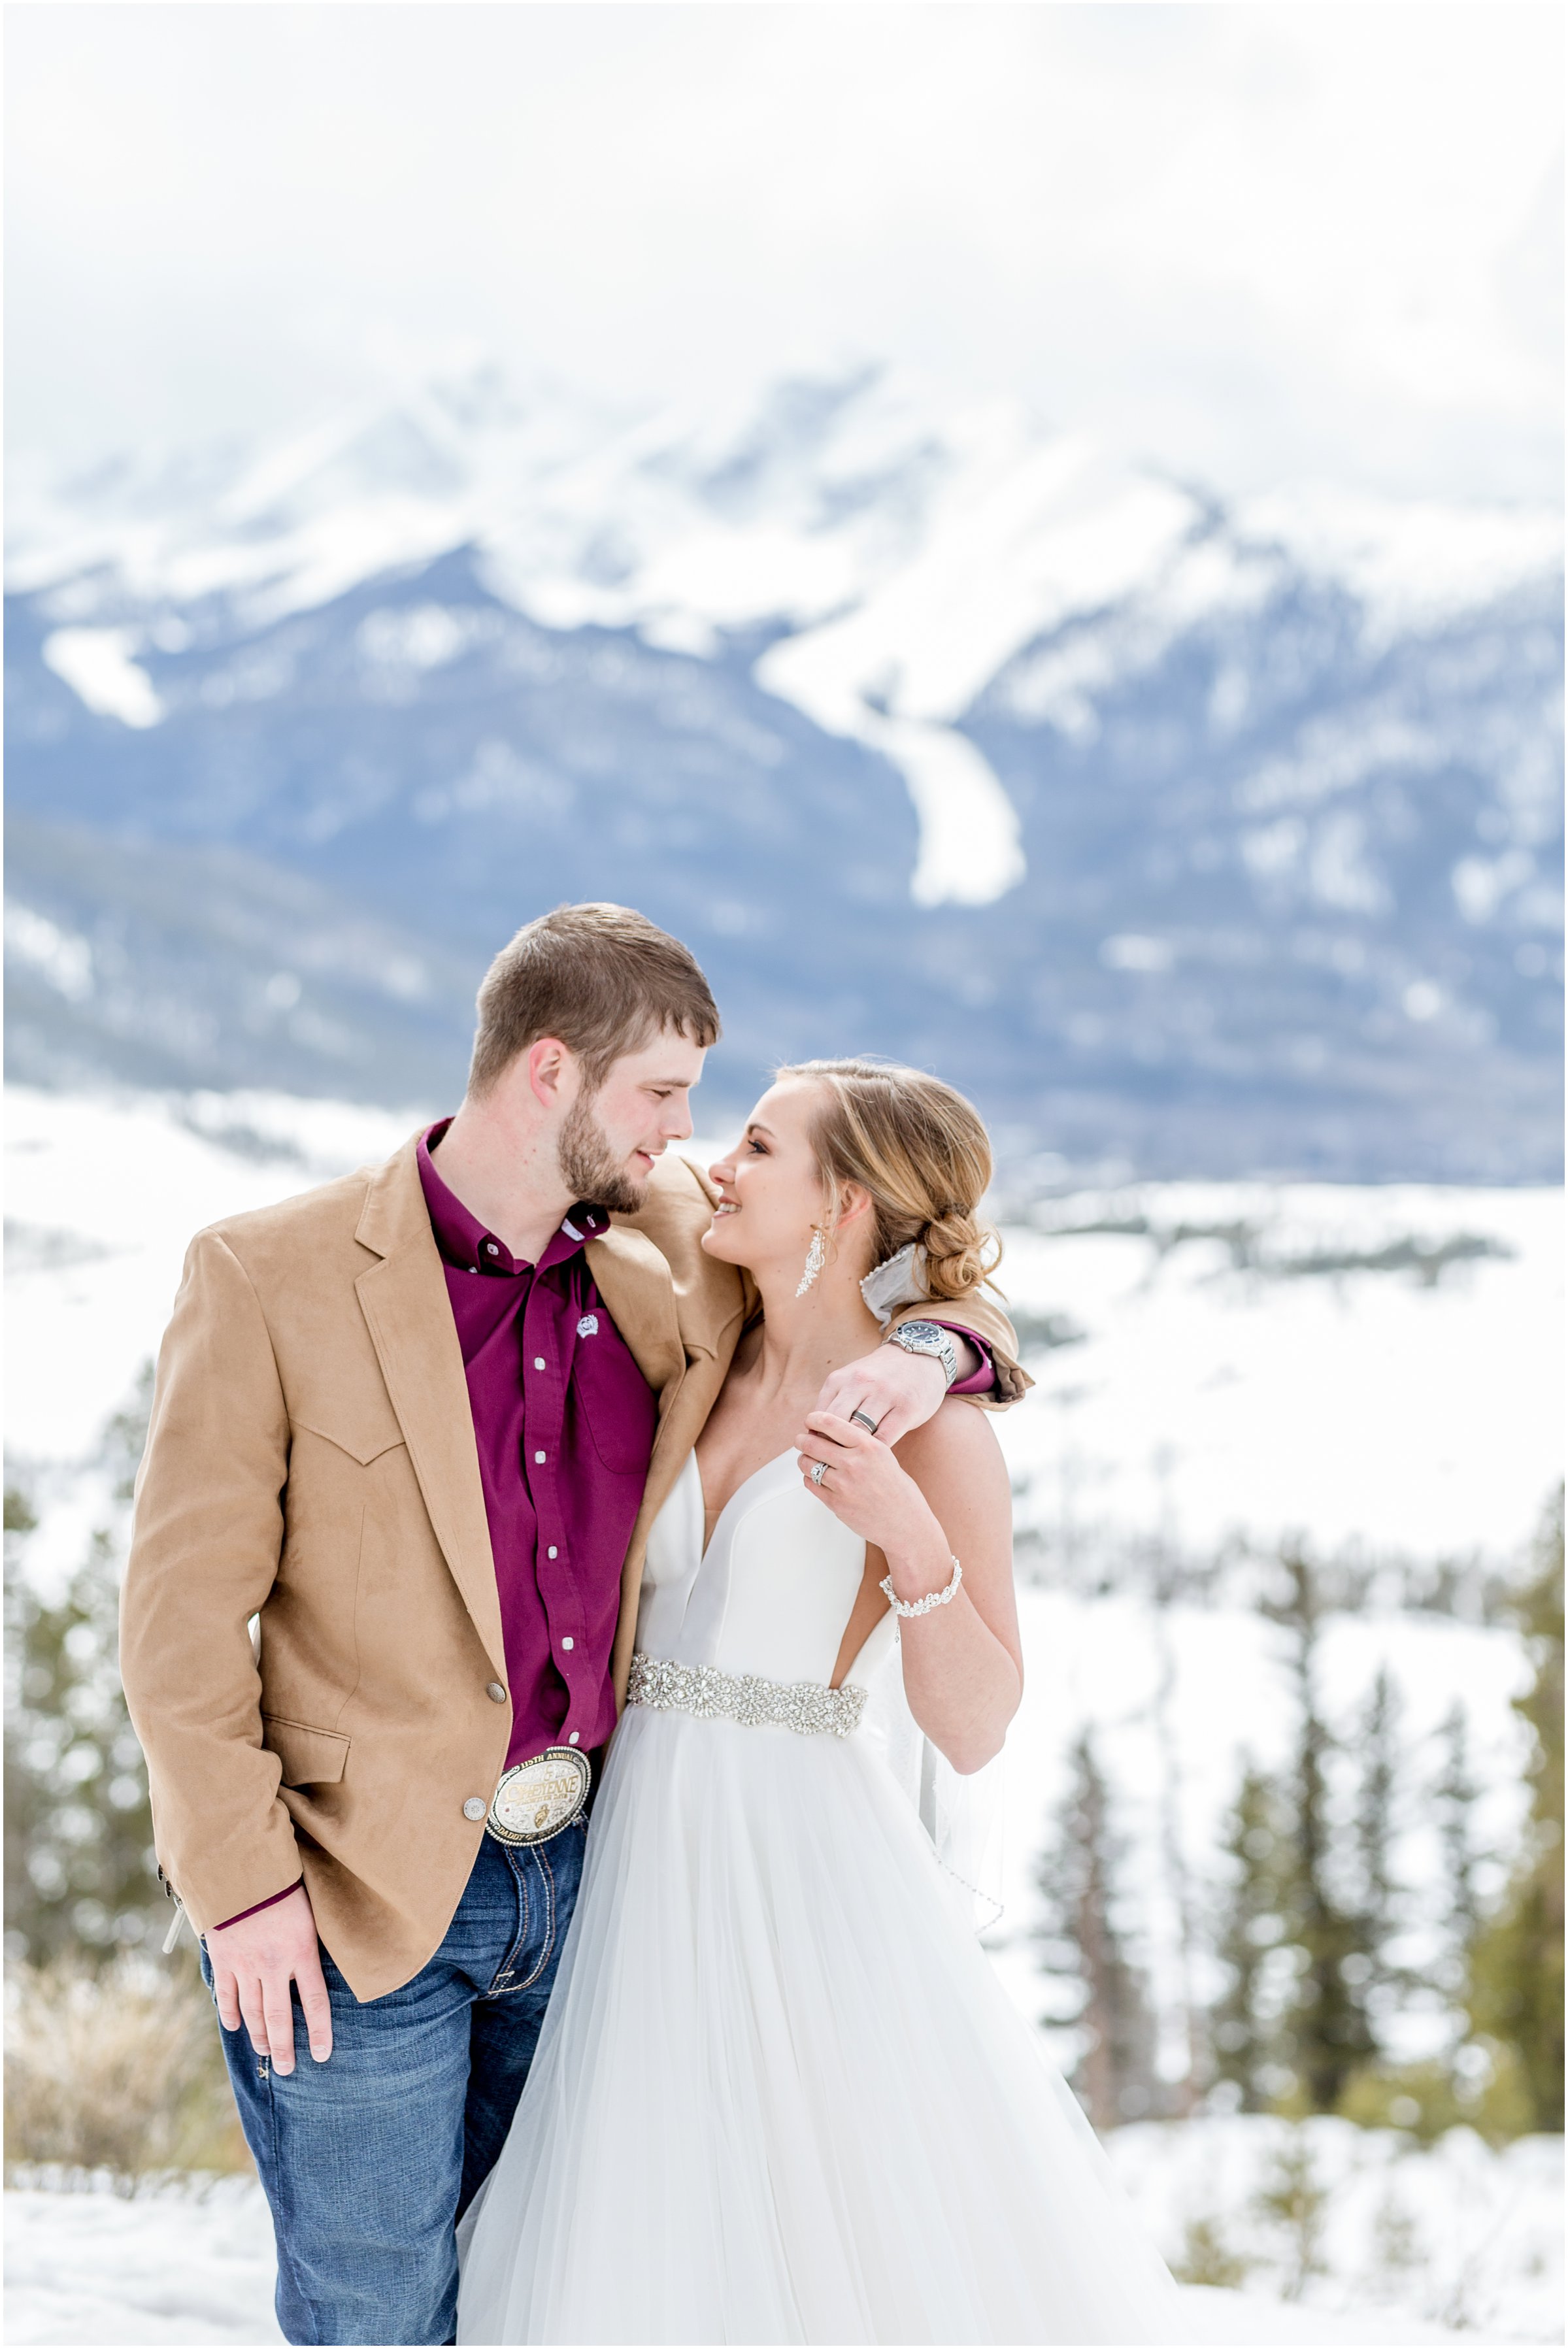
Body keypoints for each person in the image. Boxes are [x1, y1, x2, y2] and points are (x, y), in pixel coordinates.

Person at [119, 905, 1024, 2348]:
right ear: (553, 1073)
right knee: (380, 2312)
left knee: (585, 2289)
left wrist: (935, 1358)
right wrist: (239, 1888)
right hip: (368, 1899)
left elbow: (890, 1285)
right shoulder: (267, 1277)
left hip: (608, 1886)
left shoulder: (669, 1252)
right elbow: (175, 1627)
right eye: (664, 1093)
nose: (689, 1140)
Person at [456, 1058, 1188, 2346]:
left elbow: (974, 1726)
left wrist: (910, 1538)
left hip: (798, 1872)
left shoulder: (935, 1434)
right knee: (642, 2230)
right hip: (629, 1855)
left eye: (757, 1144)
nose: (719, 1165)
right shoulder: (699, 1354)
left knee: (812, 2240)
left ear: (844, 1203)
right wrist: (938, 1330)